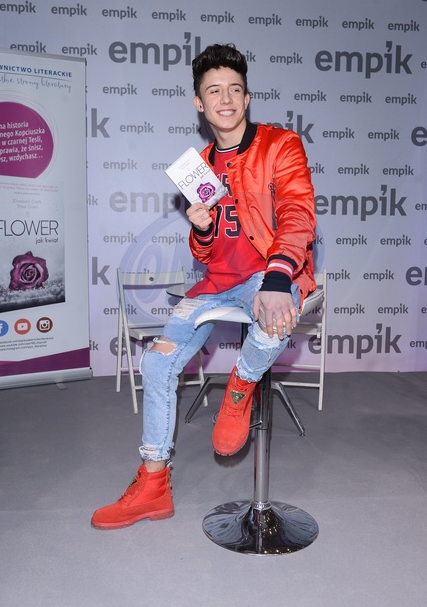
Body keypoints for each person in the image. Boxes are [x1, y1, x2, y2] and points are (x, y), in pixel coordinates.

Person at [91, 43, 317, 530]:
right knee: (157, 361)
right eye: (214, 91)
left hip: (267, 274)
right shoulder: (199, 167)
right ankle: (153, 484)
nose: (226, 99)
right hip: (215, 284)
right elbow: (206, 254)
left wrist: (279, 276)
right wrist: (201, 227)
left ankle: (241, 385)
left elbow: (298, 214)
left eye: (235, 89)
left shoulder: (280, 145)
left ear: (247, 97)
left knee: (276, 313)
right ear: (199, 103)